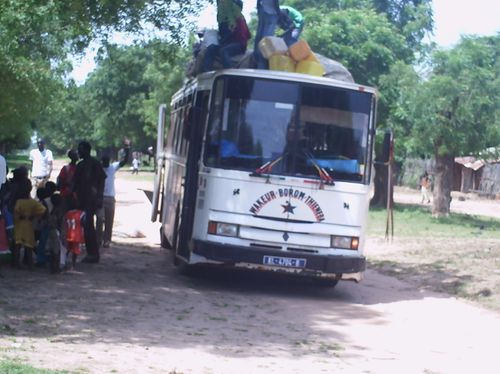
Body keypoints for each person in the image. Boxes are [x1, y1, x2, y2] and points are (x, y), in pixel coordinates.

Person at [73, 141, 106, 263]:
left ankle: (93, 254)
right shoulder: (80, 165)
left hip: (91, 200)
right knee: (86, 226)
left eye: (81, 149)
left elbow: (102, 181)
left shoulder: (95, 164)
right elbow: (75, 182)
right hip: (82, 199)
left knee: (88, 226)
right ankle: (91, 253)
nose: (79, 152)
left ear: (87, 150)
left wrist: (99, 197)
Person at [97, 140, 130, 248]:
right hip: (101, 198)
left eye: (106, 161)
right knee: (100, 219)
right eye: (104, 161)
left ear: (109, 161)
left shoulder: (113, 167)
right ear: (101, 161)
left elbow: (124, 161)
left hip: (110, 198)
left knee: (109, 221)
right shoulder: (98, 169)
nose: (105, 163)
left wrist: (127, 149)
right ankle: (98, 239)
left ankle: (106, 240)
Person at [203, 0, 250, 71]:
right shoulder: (226, 19)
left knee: (224, 51)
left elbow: (245, 35)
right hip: (228, 44)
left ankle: (231, 72)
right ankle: (207, 71)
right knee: (211, 48)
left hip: (239, 44)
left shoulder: (240, 19)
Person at [13, 179, 47, 269]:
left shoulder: (19, 201)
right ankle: (30, 264)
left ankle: (16, 263)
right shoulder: (32, 202)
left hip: (19, 224)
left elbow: (16, 212)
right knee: (29, 245)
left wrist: (19, 217)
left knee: (17, 244)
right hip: (28, 224)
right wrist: (34, 215)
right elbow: (43, 210)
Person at [254, 0, 281, 69]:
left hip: (262, 9)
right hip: (271, 12)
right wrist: (278, 12)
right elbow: (276, 2)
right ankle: (262, 66)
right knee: (266, 41)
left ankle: (257, 60)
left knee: (260, 37)